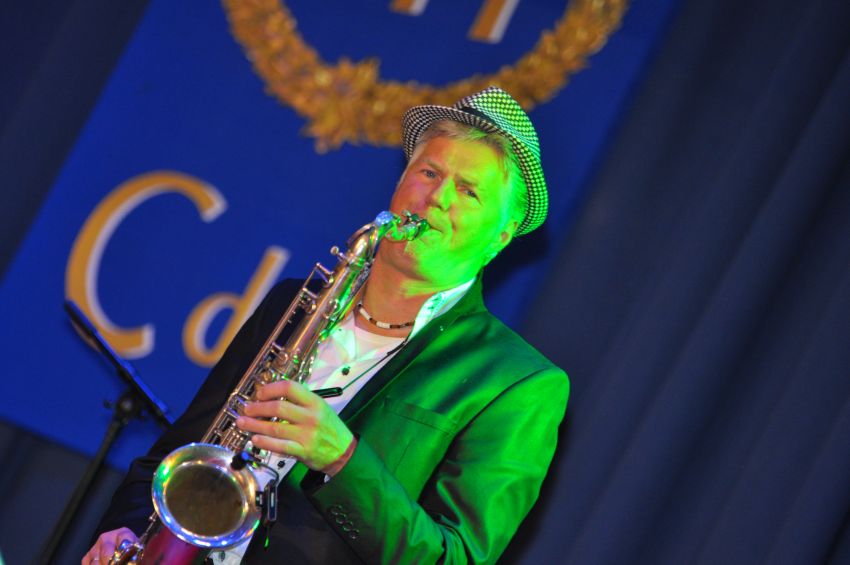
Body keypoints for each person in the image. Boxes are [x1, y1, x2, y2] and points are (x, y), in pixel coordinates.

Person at [85, 87, 569, 564]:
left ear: (502, 236)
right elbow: (177, 454)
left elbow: (455, 558)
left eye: (469, 191)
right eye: (429, 172)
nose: (437, 197)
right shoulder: (294, 301)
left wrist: (342, 460)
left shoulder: (517, 384)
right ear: (400, 183)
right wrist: (125, 530)